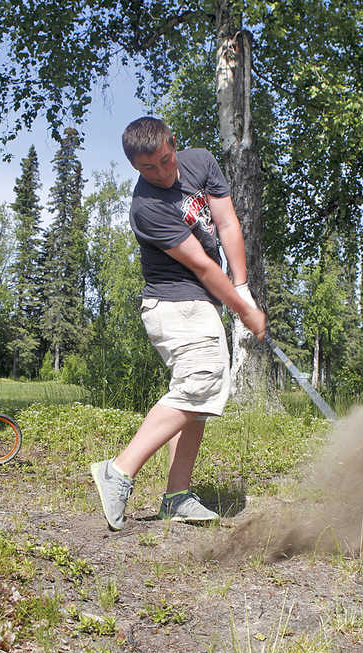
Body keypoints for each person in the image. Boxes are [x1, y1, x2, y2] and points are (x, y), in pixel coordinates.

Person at [90, 117, 267, 531]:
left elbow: (227, 224)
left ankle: (177, 496)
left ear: (174, 144)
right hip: (173, 303)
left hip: (202, 302)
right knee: (201, 382)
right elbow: (204, 266)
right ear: (136, 167)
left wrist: (242, 286)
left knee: (196, 403)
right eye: (148, 169)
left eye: (166, 161)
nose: (162, 173)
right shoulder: (147, 207)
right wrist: (243, 309)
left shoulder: (201, 163)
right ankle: (118, 471)